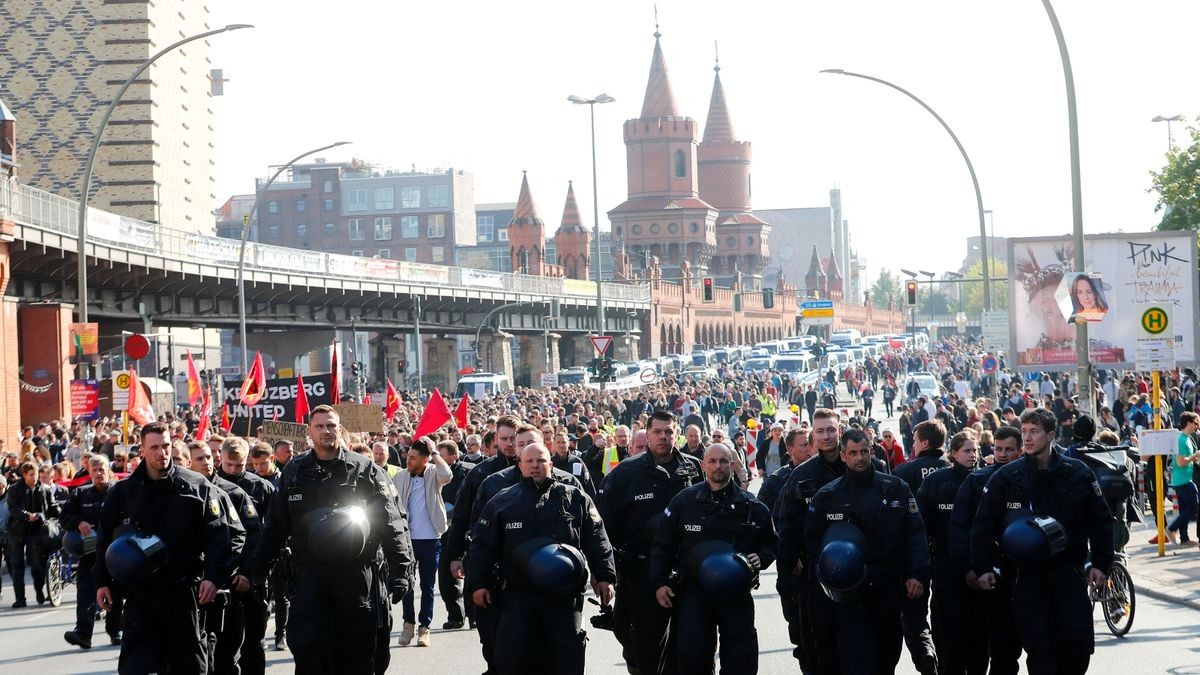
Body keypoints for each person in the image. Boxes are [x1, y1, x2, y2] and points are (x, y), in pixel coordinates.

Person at [252, 405, 414, 675]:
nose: (326, 431)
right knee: (309, 648)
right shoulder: (294, 471)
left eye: (331, 425)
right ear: (309, 432)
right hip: (310, 574)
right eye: (320, 426)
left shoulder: (365, 469)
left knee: (358, 652)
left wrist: (402, 570)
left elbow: (392, 522)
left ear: (339, 429)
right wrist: (259, 570)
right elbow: (274, 526)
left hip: (356, 574)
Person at [970, 408, 1114, 675]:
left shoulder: (1077, 472)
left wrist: (1101, 563)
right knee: (1040, 650)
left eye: (1034, 431)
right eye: (1023, 431)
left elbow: (1101, 521)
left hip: (1069, 572)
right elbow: (982, 525)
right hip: (1027, 578)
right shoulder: (1006, 477)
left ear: (1050, 435)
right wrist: (983, 566)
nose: (1027, 437)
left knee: (1077, 646)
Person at [95, 422, 245, 675]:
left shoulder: (197, 486)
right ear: (142, 450)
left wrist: (213, 577)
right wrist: (102, 582)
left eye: (165, 446)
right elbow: (104, 541)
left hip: (183, 593)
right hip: (140, 595)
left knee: (188, 667)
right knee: (135, 667)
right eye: (154, 447)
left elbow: (219, 535)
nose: (161, 453)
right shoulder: (122, 493)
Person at [466, 442, 616, 674]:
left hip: (564, 599)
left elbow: (597, 538)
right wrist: (479, 584)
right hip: (518, 597)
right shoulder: (501, 502)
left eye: (541, 461)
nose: (535, 466)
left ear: (551, 464)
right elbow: (481, 547)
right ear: (521, 466)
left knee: (567, 660)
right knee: (514, 661)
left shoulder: (575, 498)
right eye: (530, 462)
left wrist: (605, 575)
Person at [804, 428, 931, 674]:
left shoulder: (896, 488)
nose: (860, 458)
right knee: (857, 659)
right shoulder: (827, 496)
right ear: (843, 456)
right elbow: (813, 544)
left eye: (864, 451)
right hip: (849, 593)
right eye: (853, 453)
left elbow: (916, 534)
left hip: (888, 587)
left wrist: (917, 574)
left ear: (871, 451)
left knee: (887, 655)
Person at [650, 443, 777, 674]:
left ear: (733, 464)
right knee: (692, 657)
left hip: (736, 593)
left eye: (723, 461)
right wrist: (659, 583)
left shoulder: (752, 506)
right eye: (712, 461)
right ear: (703, 465)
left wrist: (761, 556)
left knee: (741, 660)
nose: (718, 466)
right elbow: (662, 545)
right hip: (694, 593)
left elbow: (771, 543)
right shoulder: (684, 502)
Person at [596, 410, 703, 675]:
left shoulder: (693, 467)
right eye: (657, 432)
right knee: (647, 651)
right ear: (648, 433)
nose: (663, 437)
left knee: (694, 648)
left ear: (676, 434)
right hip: (641, 572)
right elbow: (605, 524)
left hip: (688, 571)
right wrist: (614, 568)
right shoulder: (625, 474)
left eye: (669, 432)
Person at [948, 425, 1023, 675]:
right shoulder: (977, 481)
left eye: (1009, 450)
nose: (1002, 454)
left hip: (1029, 572)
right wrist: (971, 567)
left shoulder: (1033, 479)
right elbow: (961, 529)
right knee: (996, 643)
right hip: (990, 573)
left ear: (1020, 451)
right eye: (998, 449)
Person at [186, 439, 263, 675]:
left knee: (228, 654)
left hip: (227, 586)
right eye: (200, 458)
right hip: (192, 588)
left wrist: (244, 572)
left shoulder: (231, 493)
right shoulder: (181, 495)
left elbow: (249, 535)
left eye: (209, 456)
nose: (207, 462)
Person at [916, 430, 986, 675]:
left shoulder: (985, 479)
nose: (972, 455)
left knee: (979, 638)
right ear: (953, 453)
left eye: (975, 450)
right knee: (949, 636)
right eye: (967, 450)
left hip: (980, 567)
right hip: (946, 568)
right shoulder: (937, 482)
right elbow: (920, 525)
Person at [891, 420, 947, 674]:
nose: (912, 445)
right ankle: (944, 658)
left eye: (914, 441)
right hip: (950, 553)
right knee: (948, 610)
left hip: (915, 554)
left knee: (914, 613)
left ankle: (925, 651)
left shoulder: (904, 472)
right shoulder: (955, 468)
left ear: (924, 443)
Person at [218, 436, 278, 675]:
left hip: (254, 575)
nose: (233, 470)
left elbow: (270, 531)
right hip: (223, 574)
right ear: (220, 458)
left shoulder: (261, 487)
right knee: (224, 643)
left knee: (254, 640)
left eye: (239, 466)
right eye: (229, 465)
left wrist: (255, 571)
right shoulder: (210, 485)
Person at [392, 437, 453, 648]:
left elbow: (448, 474)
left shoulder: (434, 475)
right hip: (406, 540)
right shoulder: (400, 476)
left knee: (427, 586)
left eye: (413, 458)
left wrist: (435, 452)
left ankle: (424, 629)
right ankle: (408, 624)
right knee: (407, 585)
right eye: (408, 456)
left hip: (430, 539)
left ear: (425, 460)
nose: (408, 460)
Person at [61, 455, 123, 649]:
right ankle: (83, 633)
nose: (98, 474)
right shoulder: (80, 493)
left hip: (114, 552)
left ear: (108, 471)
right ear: (89, 472)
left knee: (115, 591)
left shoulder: (119, 492)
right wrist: (78, 522)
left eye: (102, 470)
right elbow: (64, 516)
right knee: (85, 591)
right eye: (94, 470)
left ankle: (115, 630)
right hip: (89, 553)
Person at [6, 460, 59, 608]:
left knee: (36, 564)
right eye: (31, 475)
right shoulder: (15, 489)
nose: (34, 478)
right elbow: (13, 508)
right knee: (17, 565)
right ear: (24, 475)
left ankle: (39, 590)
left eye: (35, 474)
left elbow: (52, 507)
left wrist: (58, 511)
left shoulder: (45, 489)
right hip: (16, 532)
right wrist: (26, 515)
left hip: (36, 532)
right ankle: (20, 598)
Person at [438, 439, 470, 630]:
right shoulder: (434, 474)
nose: (438, 461)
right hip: (443, 532)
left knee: (472, 574)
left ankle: (474, 615)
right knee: (446, 577)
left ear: (453, 456)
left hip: (465, 530)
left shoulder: (468, 474)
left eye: (442, 457)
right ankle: (455, 616)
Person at [1161, 412, 1199, 546]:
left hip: (1182, 479)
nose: (1196, 426)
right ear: (1188, 423)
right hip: (1183, 480)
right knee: (1193, 507)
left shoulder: (1186, 438)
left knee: (1184, 509)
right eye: (1195, 423)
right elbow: (1181, 462)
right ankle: (1171, 528)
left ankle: (1184, 538)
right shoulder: (1182, 440)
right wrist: (1195, 456)